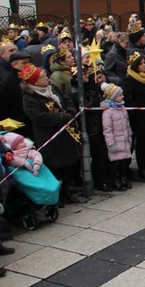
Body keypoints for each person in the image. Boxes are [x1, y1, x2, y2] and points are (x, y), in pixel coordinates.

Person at [20, 64, 85, 205]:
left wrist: (70, 111)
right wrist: (62, 117)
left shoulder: (52, 88)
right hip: (50, 135)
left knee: (70, 164)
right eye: (42, 77)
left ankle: (67, 192)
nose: (46, 78)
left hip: (66, 132)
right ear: (34, 82)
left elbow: (66, 98)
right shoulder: (29, 97)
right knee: (56, 167)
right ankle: (58, 196)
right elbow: (39, 117)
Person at [122, 53, 145, 179]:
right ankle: (142, 167)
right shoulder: (129, 79)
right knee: (142, 142)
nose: (144, 65)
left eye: (144, 63)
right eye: (140, 64)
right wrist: (139, 105)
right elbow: (127, 97)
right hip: (139, 115)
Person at [100, 82, 132, 191]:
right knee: (115, 163)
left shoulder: (122, 108)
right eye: (119, 95)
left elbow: (127, 123)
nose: (122, 97)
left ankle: (123, 178)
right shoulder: (108, 112)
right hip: (115, 140)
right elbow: (107, 129)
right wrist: (110, 143)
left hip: (124, 138)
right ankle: (115, 179)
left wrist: (129, 135)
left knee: (123, 162)